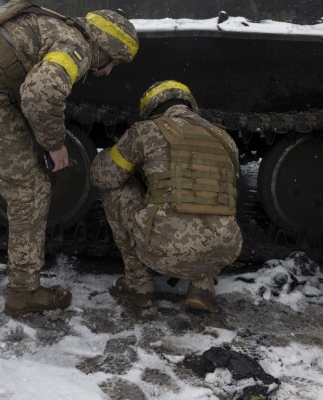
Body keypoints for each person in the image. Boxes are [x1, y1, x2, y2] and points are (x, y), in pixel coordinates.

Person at [0, 0, 138, 316]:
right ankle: (24, 292)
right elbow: (40, 94)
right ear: (105, 47)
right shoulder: (75, 45)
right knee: (30, 191)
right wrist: (54, 144)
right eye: (114, 61)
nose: (108, 70)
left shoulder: (54, 25)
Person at [90, 81, 243, 313]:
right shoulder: (225, 139)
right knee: (212, 198)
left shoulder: (146, 131)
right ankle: (203, 287)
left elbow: (103, 177)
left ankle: (138, 284)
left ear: (151, 109)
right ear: (189, 104)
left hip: (163, 251)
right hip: (225, 250)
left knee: (116, 189)